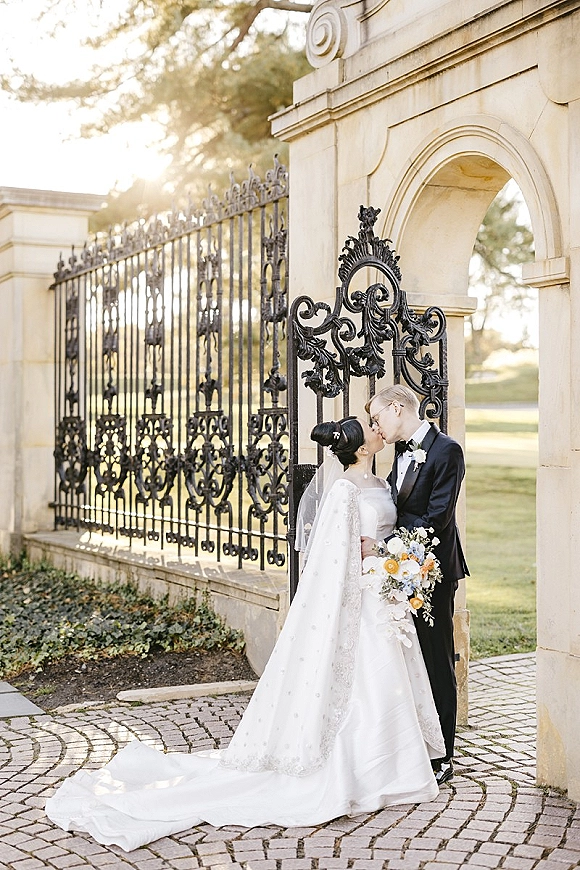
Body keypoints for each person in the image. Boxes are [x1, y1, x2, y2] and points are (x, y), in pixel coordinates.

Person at [45, 415, 445, 853]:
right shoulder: (344, 491)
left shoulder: (381, 484)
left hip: (382, 594)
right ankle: (364, 771)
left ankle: (394, 768)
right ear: (360, 447)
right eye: (371, 427)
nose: (378, 429)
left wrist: (392, 560)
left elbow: (386, 533)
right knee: (366, 683)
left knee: (387, 683)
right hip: (362, 600)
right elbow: (331, 561)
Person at [362, 385, 469, 786]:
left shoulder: (447, 451)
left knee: (436, 657)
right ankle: (414, 744)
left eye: (377, 418)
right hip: (398, 570)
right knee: (407, 659)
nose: (376, 426)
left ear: (396, 407)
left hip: (433, 573)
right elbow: (399, 507)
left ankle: (443, 754)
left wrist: (383, 546)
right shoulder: (400, 451)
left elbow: (438, 518)